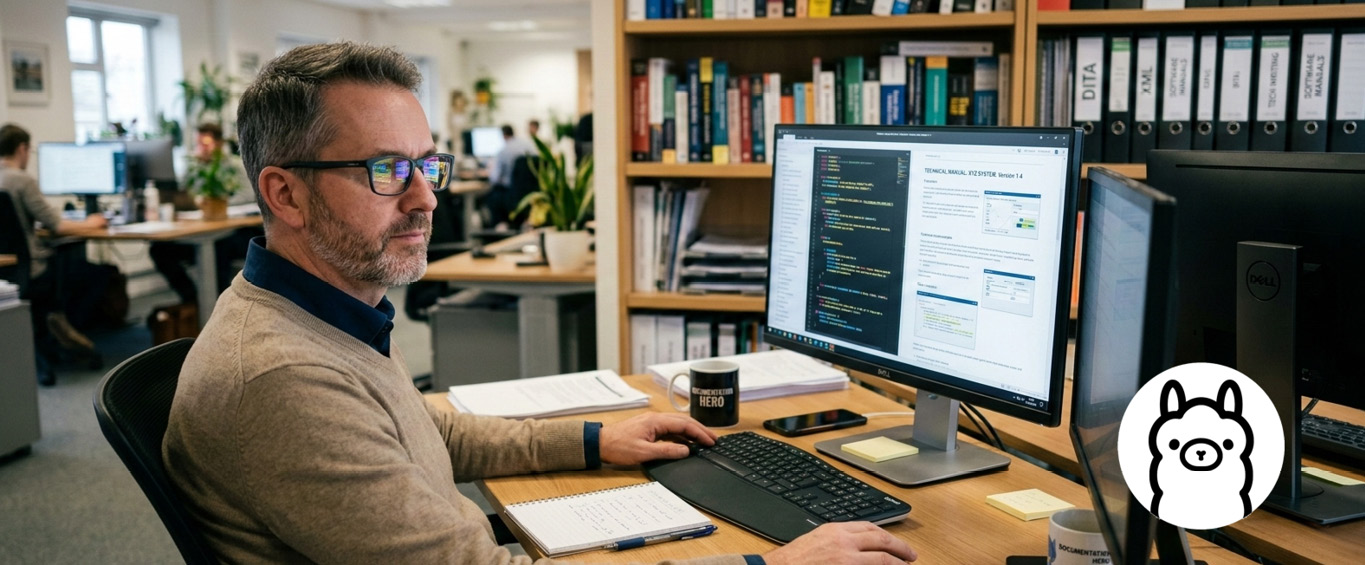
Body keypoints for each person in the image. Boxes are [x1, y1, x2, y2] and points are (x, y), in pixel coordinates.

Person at [162, 42, 918, 565]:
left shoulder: (321, 311)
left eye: (427, 165)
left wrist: (595, 439)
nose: (426, 198)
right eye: (387, 170)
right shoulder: (283, 376)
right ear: (285, 194)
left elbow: (425, 430)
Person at [0, 123, 110, 375]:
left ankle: (51, 331)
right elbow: (57, 225)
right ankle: (65, 331)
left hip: (7, 271)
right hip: (34, 270)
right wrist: (90, 223)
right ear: (22, 148)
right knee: (99, 273)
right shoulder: (22, 179)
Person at [148, 123, 258, 305]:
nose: (201, 148)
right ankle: (192, 301)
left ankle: (219, 306)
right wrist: (194, 168)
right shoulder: (195, 169)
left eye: (205, 144)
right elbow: (185, 194)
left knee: (217, 248)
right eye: (197, 144)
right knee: (160, 249)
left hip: (235, 232)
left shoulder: (235, 166)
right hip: (202, 230)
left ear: (219, 143)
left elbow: (246, 196)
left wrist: (215, 203)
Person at [483, 124, 538, 228]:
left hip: (512, 194)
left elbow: (494, 178)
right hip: (532, 194)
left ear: (503, 135)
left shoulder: (503, 151)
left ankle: (500, 226)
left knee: (490, 196)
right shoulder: (529, 145)